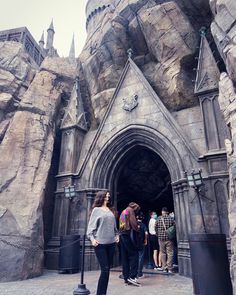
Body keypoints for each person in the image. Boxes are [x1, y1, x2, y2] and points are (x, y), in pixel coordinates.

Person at [87, 191, 119, 295]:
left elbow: (115, 228)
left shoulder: (111, 210)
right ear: (102, 197)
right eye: (106, 195)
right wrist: (92, 239)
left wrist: (117, 236)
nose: (108, 196)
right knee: (105, 270)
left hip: (111, 244)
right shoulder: (96, 210)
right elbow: (90, 229)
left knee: (107, 270)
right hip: (100, 244)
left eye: (109, 195)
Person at [119, 202, 141, 287]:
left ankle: (126, 278)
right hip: (128, 235)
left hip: (122, 235)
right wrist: (138, 228)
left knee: (125, 257)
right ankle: (132, 276)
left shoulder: (124, 211)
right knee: (134, 255)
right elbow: (134, 224)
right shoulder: (130, 210)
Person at [155, 207, 175, 273]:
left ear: (162, 211)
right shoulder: (171, 218)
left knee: (163, 253)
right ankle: (170, 268)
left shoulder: (158, 218)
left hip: (161, 238)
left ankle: (164, 267)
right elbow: (174, 227)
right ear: (167, 212)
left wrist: (158, 234)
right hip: (169, 238)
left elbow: (155, 227)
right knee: (170, 253)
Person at [136, 212, 148, 278]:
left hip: (134, 243)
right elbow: (146, 233)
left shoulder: (134, 224)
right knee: (140, 257)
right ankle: (139, 273)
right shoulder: (143, 225)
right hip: (141, 243)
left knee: (135, 257)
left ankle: (134, 272)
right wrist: (145, 240)